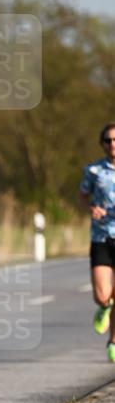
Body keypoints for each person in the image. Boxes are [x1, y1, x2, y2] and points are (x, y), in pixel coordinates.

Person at [78, 122, 115, 362]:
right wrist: (91, 209)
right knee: (103, 295)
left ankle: (113, 341)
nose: (112, 144)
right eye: (108, 140)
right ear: (102, 144)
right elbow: (82, 197)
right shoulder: (93, 171)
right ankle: (104, 307)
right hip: (101, 236)